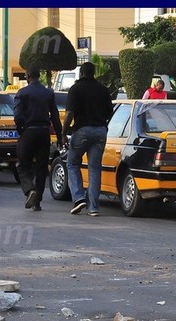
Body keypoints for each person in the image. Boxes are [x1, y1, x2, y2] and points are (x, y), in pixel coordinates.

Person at [62, 61, 114, 217]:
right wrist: (103, 126)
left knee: (72, 163)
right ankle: (93, 207)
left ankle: (78, 198)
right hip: (100, 132)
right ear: (94, 73)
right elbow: (110, 112)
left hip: (82, 131)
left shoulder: (75, 89)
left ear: (81, 73)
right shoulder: (103, 90)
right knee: (95, 167)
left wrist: (64, 132)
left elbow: (70, 113)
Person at [13, 66, 62, 211]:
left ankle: (30, 190)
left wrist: (21, 130)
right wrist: (59, 135)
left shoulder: (22, 93)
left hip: (28, 131)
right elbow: (55, 116)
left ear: (27, 76)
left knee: (23, 164)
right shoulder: (48, 93)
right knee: (41, 167)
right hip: (43, 132)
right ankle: (37, 202)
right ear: (39, 76)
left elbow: (17, 116)